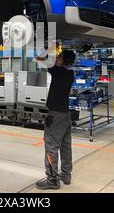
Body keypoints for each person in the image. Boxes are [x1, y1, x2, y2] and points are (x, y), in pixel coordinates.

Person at [35, 50, 76, 190]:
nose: (57, 57)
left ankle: (52, 180)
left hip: (55, 115)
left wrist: (47, 48)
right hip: (66, 114)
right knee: (65, 146)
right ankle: (66, 175)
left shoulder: (57, 71)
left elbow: (38, 58)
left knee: (51, 146)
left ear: (61, 60)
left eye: (59, 56)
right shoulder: (71, 74)